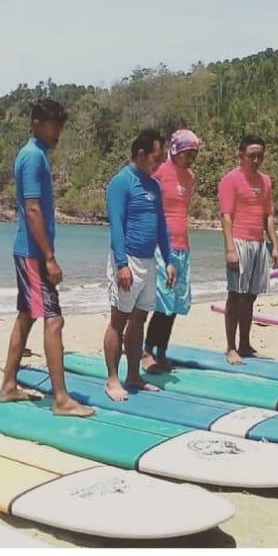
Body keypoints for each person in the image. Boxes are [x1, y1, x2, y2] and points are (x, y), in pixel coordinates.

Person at [0, 98, 94, 417]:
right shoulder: (33, 157)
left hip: (30, 251)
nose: (58, 133)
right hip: (33, 253)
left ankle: (8, 385)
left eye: (61, 127)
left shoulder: (35, 155)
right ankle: (61, 398)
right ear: (37, 123)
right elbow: (33, 208)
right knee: (54, 320)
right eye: (54, 126)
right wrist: (49, 257)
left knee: (27, 316)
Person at [102, 129, 178, 401]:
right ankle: (112, 379)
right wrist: (121, 264)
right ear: (141, 154)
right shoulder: (121, 182)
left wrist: (169, 260)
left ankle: (134, 375)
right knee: (118, 321)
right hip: (128, 260)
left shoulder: (153, 185)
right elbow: (117, 227)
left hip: (149, 261)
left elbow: (161, 226)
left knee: (139, 319)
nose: (159, 164)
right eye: (156, 158)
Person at [142, 128, 200, 374]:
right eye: (188, 152)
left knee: (175, 304)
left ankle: (163, 352)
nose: (191, 158)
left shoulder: (190, 178)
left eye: (194, 153)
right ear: (175, 150)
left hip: (182, 246)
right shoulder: (159, 173)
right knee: (161, 302)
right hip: (161, 246)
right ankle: (146, 351)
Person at [219, 135, 278, 364]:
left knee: (251, 296)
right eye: (251, 156)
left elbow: (269, 216)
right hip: (239, 241)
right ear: (241, 155)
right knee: (235, 295)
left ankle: (245, 344)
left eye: (260, 156)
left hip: (258, 243)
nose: (256, 160)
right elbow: (226, 217)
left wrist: (274, 245)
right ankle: (231, 347)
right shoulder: (231, 180)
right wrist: (230, 249)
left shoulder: (265, 181)